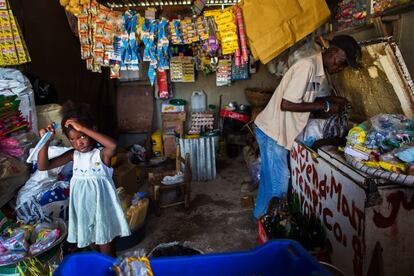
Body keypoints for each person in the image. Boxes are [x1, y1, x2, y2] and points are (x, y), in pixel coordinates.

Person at [253, 35, 361, 219]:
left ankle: (260, 219)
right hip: (274, 132)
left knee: (268, 182)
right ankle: (274, 233)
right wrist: (326, 106)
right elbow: (286, 104)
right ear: (333, 52)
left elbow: (303, 99)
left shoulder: (317, 70)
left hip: (274, 129)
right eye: (341, 63)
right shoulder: (308, 67)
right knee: (279, 185)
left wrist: (328, 99)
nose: (341, 69)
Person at [37, 101, 130, 256]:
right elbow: (43, 166)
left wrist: (83, 128)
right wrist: (45, 142)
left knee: (107, 256)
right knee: (95, 254)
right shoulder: (73, 155)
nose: (78, 143)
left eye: (82, 136)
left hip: (103, 214)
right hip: (84, 213)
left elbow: (113, 146)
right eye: (72, 139)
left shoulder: (101, 155)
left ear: (93, 130)